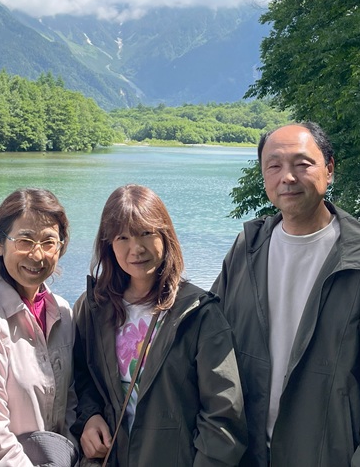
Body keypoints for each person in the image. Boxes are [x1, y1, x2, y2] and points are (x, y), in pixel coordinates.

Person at [212, 122, 360, 467]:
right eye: (274, 166)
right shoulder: (246, 251)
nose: (287, 177)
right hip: (248, 455)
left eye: (302, 164)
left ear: (329, 169)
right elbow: (209, 343)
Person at [72, 184, 247, 467]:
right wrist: (89, 417)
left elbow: (223, 414)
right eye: (122, 237)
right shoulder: (94, 307)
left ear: (165, 236)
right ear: (108, 244)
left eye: (146, 233)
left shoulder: (198, 313)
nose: (136, 248)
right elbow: (82, 378)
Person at [0, 188, 78, 467]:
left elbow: (71, 403)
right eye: (25, 240)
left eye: (49, 242)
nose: (37, 254)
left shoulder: (63, 313)